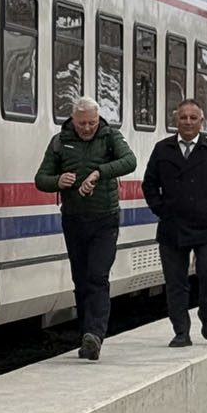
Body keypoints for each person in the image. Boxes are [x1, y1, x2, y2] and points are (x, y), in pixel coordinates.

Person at [34, 97, 138, 361]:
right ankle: (86, 335)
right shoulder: (60, 141)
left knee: (97, 276)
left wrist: (99, 172)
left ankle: (95, 334)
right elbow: (40, 179)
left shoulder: (110, 136)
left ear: (98, 118)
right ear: (73, 119)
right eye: (82, 123)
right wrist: (58, 180)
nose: (88, 128)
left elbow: (130, 161)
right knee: (80, 279)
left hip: (105, 219)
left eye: (92, 122)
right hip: (74, 219)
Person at [143, 99, 207, 348]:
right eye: (183, 117)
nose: (187, 122)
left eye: (193, 118)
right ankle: (181, 331)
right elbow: (149, 183)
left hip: (206, 226)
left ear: (201, 122)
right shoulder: (163, 149)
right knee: (175, 282)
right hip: (172, 226)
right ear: (176, 121)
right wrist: (160, 208)